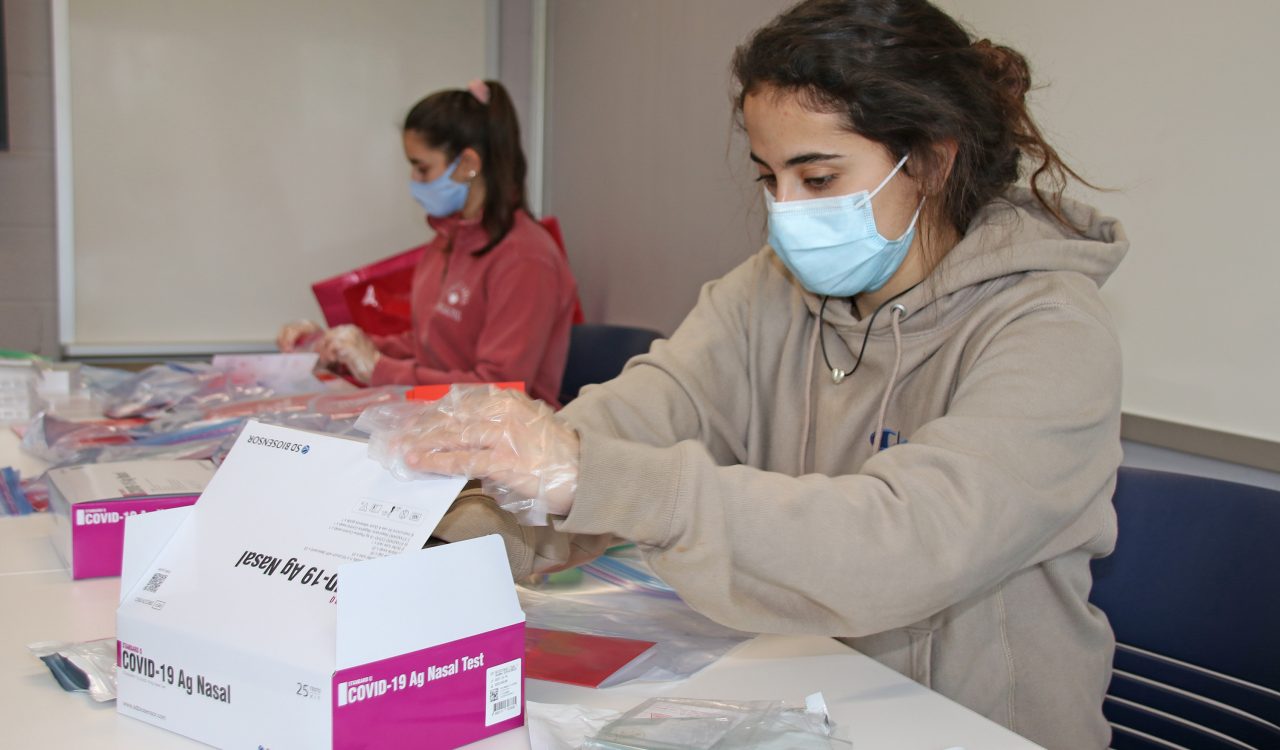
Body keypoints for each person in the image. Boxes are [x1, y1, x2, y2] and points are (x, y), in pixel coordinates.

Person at [372, 2, 1126, 747]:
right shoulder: (770, 292)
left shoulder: (1050, 328)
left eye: (819, 177)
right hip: (803, 697)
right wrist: (434, 528)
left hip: (972, 728)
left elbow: (908, 542)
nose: (786, 212)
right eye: (770, 179)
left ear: (931, 159)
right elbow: (645, 410)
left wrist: (590, 475)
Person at [278, 80, 579, 407]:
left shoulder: (524, 258)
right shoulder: (446, 243)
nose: (415, 183)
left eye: (423, 169)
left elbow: (498, 389)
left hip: (505, 438)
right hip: (438, 419)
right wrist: (341, 348)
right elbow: (431, 346)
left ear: (468, 165)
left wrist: (379, 368)